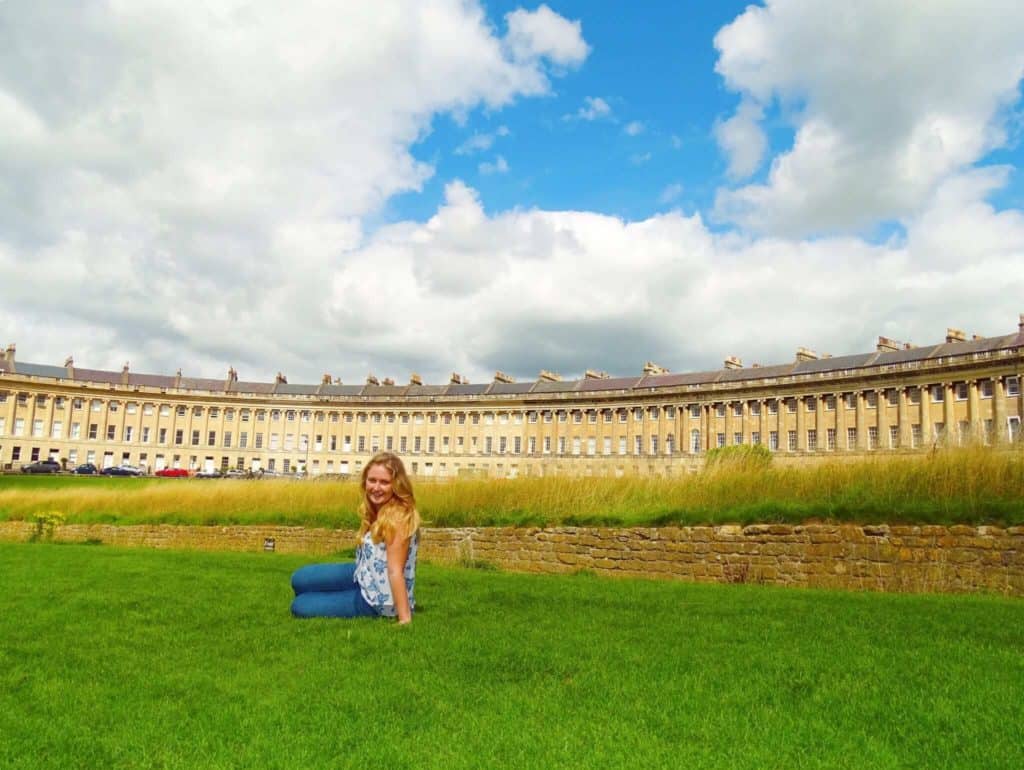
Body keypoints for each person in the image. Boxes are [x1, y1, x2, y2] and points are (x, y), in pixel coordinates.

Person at [290, 451, 420, 624]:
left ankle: (337, 600)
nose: (376, 487)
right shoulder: (378, 508)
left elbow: (395, 570)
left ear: (396, 485)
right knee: (300, 578)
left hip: (377, 599)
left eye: (384, 482)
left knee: (300, 605)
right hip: (363, 575)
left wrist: (404, 618)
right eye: (372, 480)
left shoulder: (398, 518)